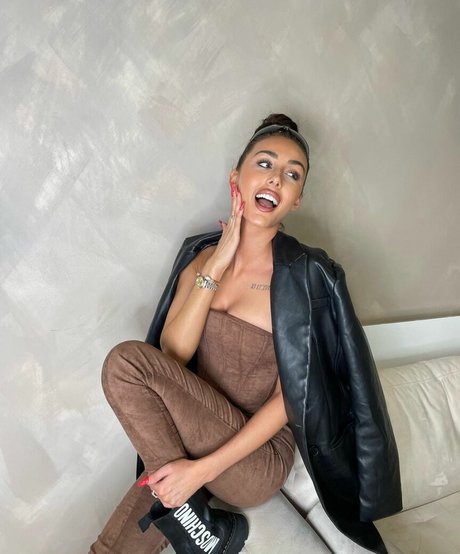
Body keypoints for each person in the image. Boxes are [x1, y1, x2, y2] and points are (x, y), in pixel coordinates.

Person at [90, 114, 402, 554]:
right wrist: (217, 265)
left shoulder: (306, 277)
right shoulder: (202, 257)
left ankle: (187, 511)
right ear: (236, 178)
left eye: (292, 174)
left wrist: (199, 472)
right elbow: (172, 358)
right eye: (265, 163)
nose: (276, 178)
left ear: (297, 199)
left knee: (125, 363)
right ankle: (199, 527)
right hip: (193, 432)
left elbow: (288, 401)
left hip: (255, 460)